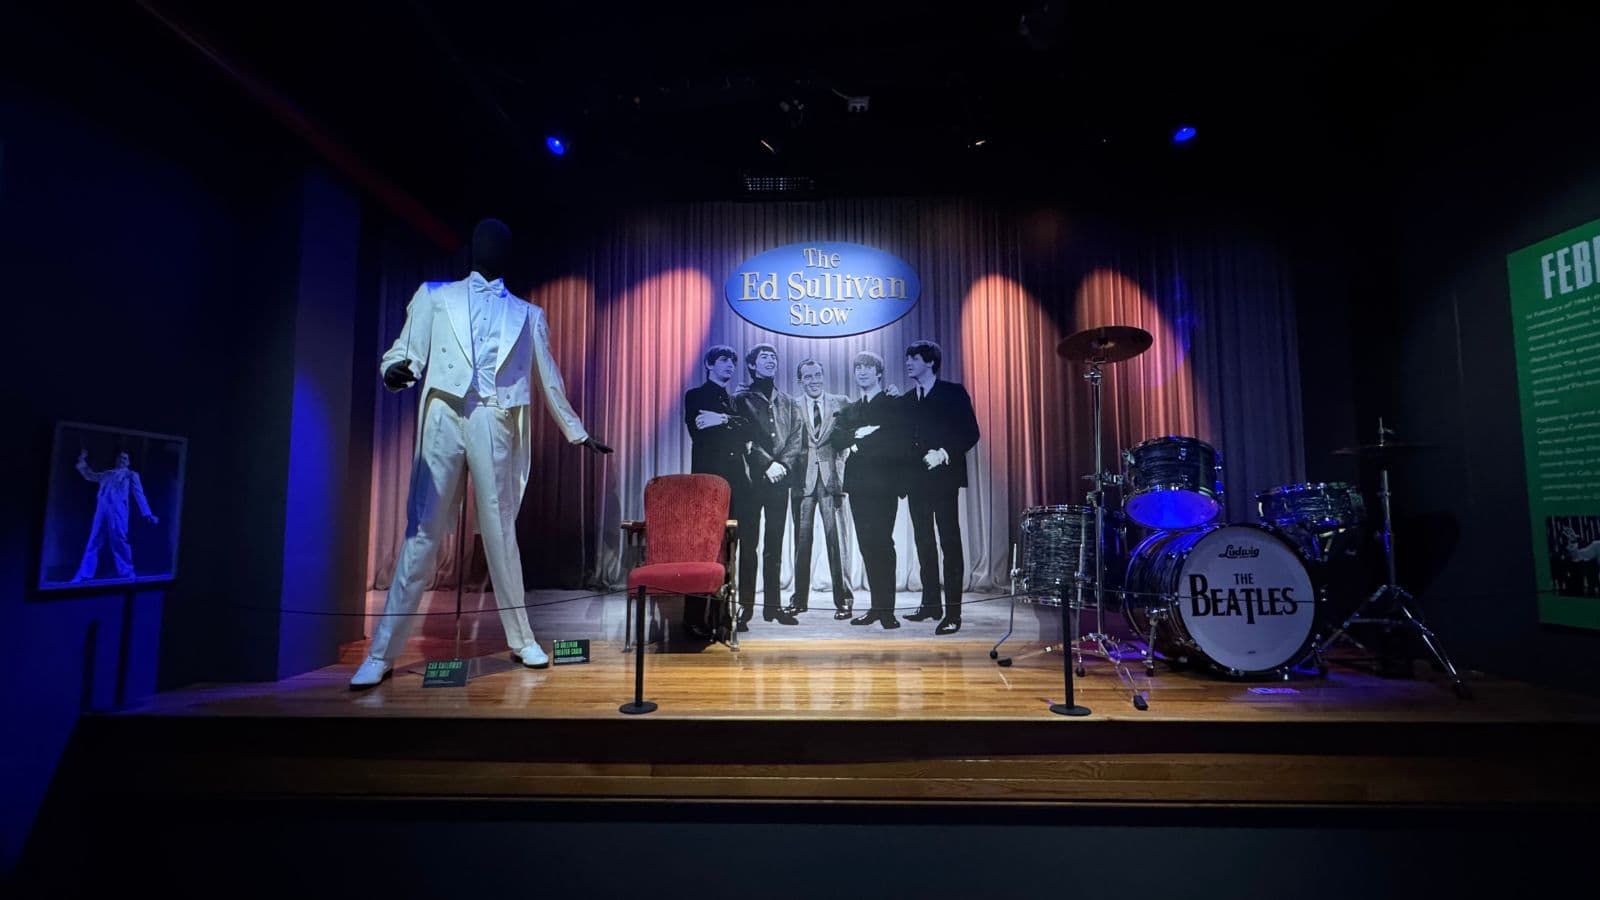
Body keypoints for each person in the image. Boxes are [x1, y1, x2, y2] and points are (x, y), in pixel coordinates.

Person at [352, 218, 611, 689]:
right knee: (422, 532)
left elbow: (549, 377)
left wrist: (577, 432)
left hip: (495, 417)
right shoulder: (435, 296)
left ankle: (522, 638)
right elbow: (404, 350)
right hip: (444, 414)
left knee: (500, 531)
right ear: (473, 246)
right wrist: (395, 371)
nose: (491, 246)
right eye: (485, 239)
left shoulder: (528, 314)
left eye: (500, 242)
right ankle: (381, 652)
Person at [899, 340, 980, 635]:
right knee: (923, 542)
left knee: (949, 543)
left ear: (931, 362)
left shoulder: (953, 392)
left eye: (914, 358)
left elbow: (971, 432)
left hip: (944, 480)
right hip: (915, 483)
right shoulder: (907, 399)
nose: (908, 363)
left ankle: (953, 614)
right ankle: (930, 604)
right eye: (908, 358)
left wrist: (943, 453)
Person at [831, 351, 906, 629]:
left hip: (884, 485)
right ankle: (875, 608)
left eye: (868, 367)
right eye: (858, 367)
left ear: (879, 373)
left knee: (883, 544)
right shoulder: (850, 409)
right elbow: (837, 437)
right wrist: (859, 434)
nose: (862, 372)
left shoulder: (892, 403)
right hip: (858, 486)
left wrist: (858, 442)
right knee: (866, 546)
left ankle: (888, 611)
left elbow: (894, 438)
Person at [732, 343, 802, 628]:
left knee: (775, 544)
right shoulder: (740, 399)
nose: (771, 360)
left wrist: (782, 466)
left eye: (773, 357)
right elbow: (742, 436)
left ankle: (773, 608)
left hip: (780, 482)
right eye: (764, 357)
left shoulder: (789, 401)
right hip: (750, 482)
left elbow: (796, 437)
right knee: (748, 545)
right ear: (752, 365)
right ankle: (745, 609)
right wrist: (767, 464)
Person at [681, 345, 748, 638]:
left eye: (733, 361)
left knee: (730, 548)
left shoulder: (735, 401)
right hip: (707, 483)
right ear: (709, 364)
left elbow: (749, 429)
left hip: (735, 483)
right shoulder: (696, 395)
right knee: (703, 547)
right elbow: (699, 431)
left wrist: (721, 419)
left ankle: (722, 616)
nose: (730, 365)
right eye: (723, 360)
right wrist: (731, 424)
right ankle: (694, 618)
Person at [786, 358, 855, 619]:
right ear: (800, 380)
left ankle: (844, 600)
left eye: (817, 375)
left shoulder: (842, 402)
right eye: (808, 376)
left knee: (838, 543)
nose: (814, 380)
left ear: (823, 376)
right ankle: (799, 600)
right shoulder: (792, 405)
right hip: (801, 481)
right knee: (801, 543)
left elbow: (858, 427)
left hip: (833, 480)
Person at [72, 450, 158, 582]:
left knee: (120, 539)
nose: (122, 460)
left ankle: (127, 572)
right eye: (120, 457)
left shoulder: (131, 475)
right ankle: (84, 573)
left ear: (128, 462)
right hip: (102, 510)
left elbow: (139, 493)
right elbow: (89, 475)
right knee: (94, 539)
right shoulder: (107, 474)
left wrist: (147, 513)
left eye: (125, 458)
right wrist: (82, 461)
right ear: (116, 460)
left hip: (118, 510)